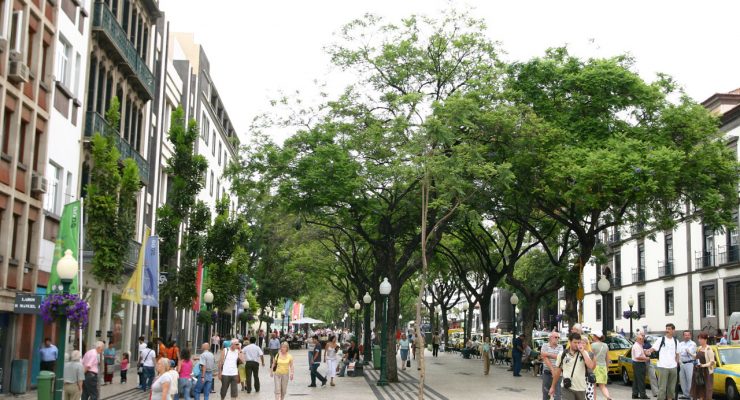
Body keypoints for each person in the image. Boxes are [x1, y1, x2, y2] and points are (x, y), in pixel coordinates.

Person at [548, 332, 596, 400]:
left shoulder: (584, 353)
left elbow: (591, 366)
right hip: (567, 387)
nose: (577, 345)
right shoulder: (562, 354)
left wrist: (582, 352)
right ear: (570, 342)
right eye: (575, 342)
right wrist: (553, 386)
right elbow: (558, 372)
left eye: (578, 342)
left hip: (581, 388)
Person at [647, 323, 679, 400]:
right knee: (662, 388)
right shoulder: (661, 339)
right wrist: (649, 351)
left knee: (671, 388)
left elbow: (677, 353)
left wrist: (676, 364)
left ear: (673, 330)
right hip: (663, 367)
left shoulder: (676, 341)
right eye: (666, 328)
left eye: (669, 329)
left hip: (673, 367)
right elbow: (653, 348)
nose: (667, 330)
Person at [690, 332, 715, 400]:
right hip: (698, 371)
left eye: (701, 339)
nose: (699, 340)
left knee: (707, 388)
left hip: (706, 372)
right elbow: (697, 356)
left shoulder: (709, 349)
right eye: (699, 339)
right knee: (699, 388)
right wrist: (690, 353)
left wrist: (703, 365)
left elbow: (712, 362)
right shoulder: (699, 348)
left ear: (705, 339)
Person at [541, 331, 563, 400]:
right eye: (555, 337)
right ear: (550, 338)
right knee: (546, 393)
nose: (557, 338)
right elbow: (543, 356)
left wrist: (548, 354)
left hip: (558, 373)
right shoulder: (545, 345)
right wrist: (552, 370)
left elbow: (560, 357)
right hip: (547, 372)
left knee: (558, 395)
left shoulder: (560, 346)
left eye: (558, 337)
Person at [590, 331, 612, 400]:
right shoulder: (605, 345)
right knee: (602, 386)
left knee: (594, 386)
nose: (592, 337)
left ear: (596, 336)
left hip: (595, 367)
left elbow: (591, 357)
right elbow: (607, 358)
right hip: (603, 367)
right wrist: (607, 368)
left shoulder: (592, 345)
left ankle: (594, 399)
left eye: (593, 335)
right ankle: (608, 397)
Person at [677, 330, 696, 399]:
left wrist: (683, 352)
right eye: (685, 335)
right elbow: (678, 353)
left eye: (688, 335)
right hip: (681, 363)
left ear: (690, 336)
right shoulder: (680, 344)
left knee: (690, 380)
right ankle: (685, 395)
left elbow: (687, 352)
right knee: (682, 380)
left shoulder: (693, 344)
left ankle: (691, 396)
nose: (687, 336)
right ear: (683, 336)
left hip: (689, 363)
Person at [631, 333, 650, 399]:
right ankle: (643, 395)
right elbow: (638, 356)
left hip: (637, 364)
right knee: (641, 380)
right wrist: (646, 358)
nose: (643, 340)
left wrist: (644, 351)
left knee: (636, 380)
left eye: (643, 338)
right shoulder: (637, 346)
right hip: (639, 364)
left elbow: (639, 354)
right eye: (642, 339)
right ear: (638, 339)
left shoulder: (638, 345)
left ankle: (635, 394)